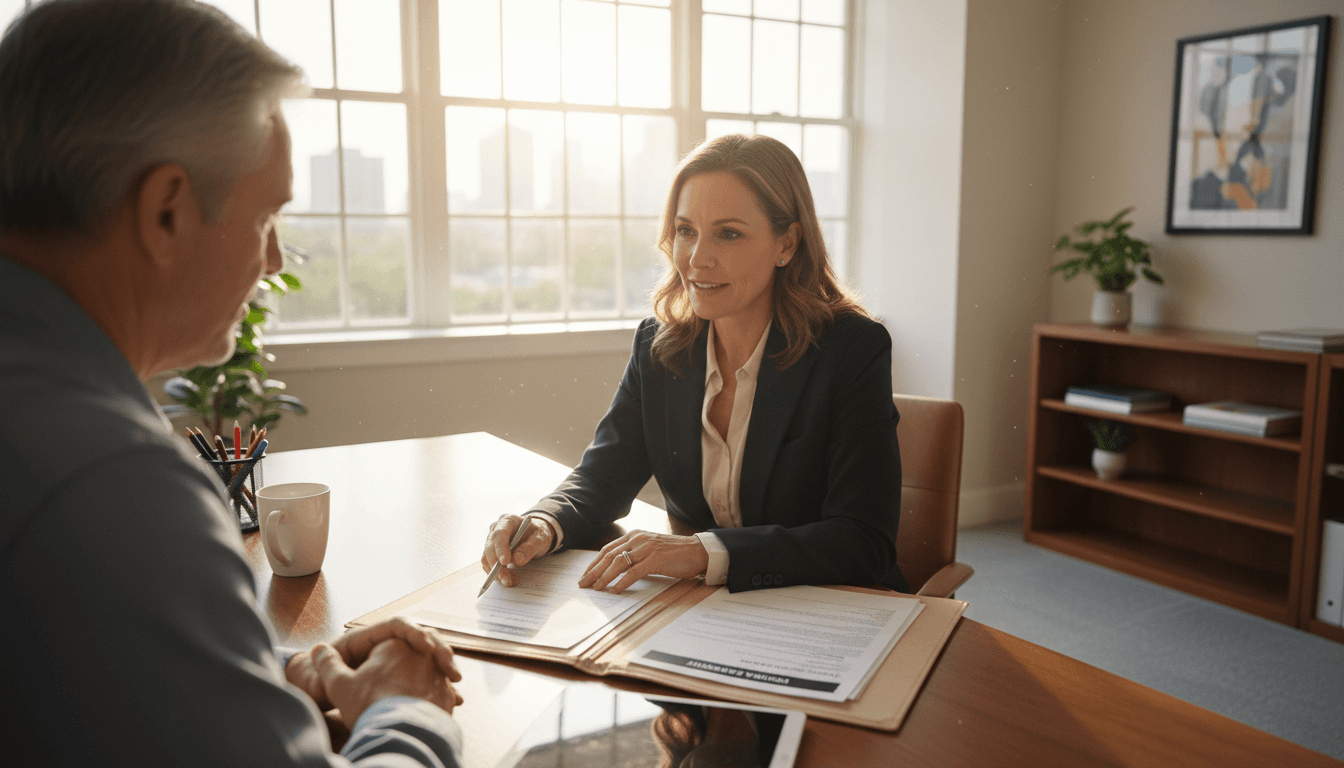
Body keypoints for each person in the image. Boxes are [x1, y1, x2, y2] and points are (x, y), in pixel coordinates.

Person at [0, 1, 464, 765]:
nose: (274, 260)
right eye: (264, 220)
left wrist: (283, 670)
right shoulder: (109, 485)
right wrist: (407, 713)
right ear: (167, 211)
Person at [481, 134, 908, 596]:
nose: (697, 259)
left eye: (728, 233)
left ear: (787, 242)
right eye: (686, 231)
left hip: (834, 611)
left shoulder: (852, 350)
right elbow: (604, 475)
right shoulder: (659, 346)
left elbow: (864, 542)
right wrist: (545, 520)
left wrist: (704, 552)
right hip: (709, 612)